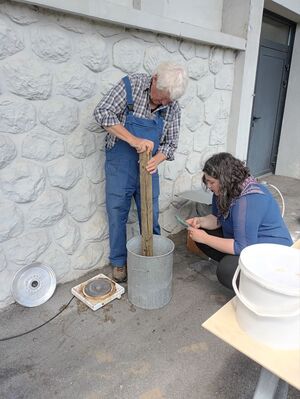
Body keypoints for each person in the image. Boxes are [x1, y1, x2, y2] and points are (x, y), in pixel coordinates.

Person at [94, 62, 188, 282]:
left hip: (149, 168)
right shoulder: (130, 86)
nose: (164, 103)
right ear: (154, 78)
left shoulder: (172, 106)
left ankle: (152, 258)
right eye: (161, 97)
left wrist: (157, 159)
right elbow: (102, 113)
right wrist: (133, 139)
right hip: (121, 166)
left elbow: (170, 145)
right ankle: (118, 262)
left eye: (168, 100)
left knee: (150, 213)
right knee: (117, 212)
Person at [187, 152, 293, 290]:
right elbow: (218, 219)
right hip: (247, 242)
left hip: (272, 252)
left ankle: (261, 284)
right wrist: (201, 221)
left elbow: (242, 246)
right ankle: (238, 264)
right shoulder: (222, 192)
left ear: (225, 180)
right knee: (200, 232)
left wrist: (206, 239)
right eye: (207, 181)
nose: (208, 186)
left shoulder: (248, 199)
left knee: (227, 271)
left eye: (211, 182)